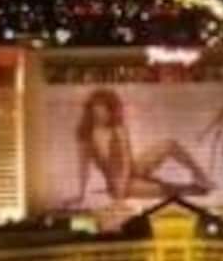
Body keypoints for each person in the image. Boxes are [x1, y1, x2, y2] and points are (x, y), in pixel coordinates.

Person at [65, 88, 214, 208]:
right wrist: (80, 194)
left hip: (132, 169)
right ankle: (195, 188)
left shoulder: (118, 128)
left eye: (105, 108)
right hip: (117, 184)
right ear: (91, 109)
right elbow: (83, 167)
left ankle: (201, 175)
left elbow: (125, 161)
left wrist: (126, 183)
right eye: (97, 108)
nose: (101, 112)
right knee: (171, 190)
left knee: (169, 144)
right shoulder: (86, 135)